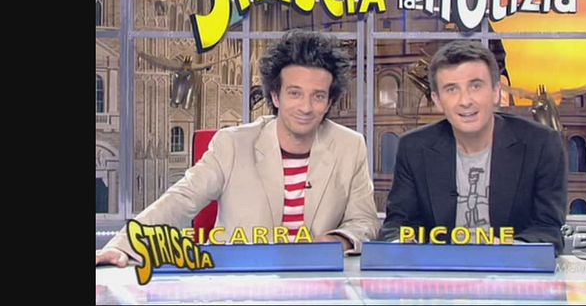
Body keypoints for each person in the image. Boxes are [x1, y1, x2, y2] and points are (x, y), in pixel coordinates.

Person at [97, 30, 380, 267]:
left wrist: (338, 240)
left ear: (329, 102)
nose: (306, 107)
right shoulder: (232, 144)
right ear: (275, 96)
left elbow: (364, 221)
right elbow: (181, 200)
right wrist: (122, 246)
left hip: (316, 282)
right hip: (240, 282)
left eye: (317, 96)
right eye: (294, 93)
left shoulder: (350, 146)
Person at [378, 40, 566, 253]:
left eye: (475, 86)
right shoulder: (413, 148)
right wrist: (402, 247)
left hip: (511, 269)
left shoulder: (540, 144)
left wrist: (510, 250)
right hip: (436, 269)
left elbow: (548, 229)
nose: (465, 101)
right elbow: (397, 225)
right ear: (437, 100)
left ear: (496, 91)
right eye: (451, 89)